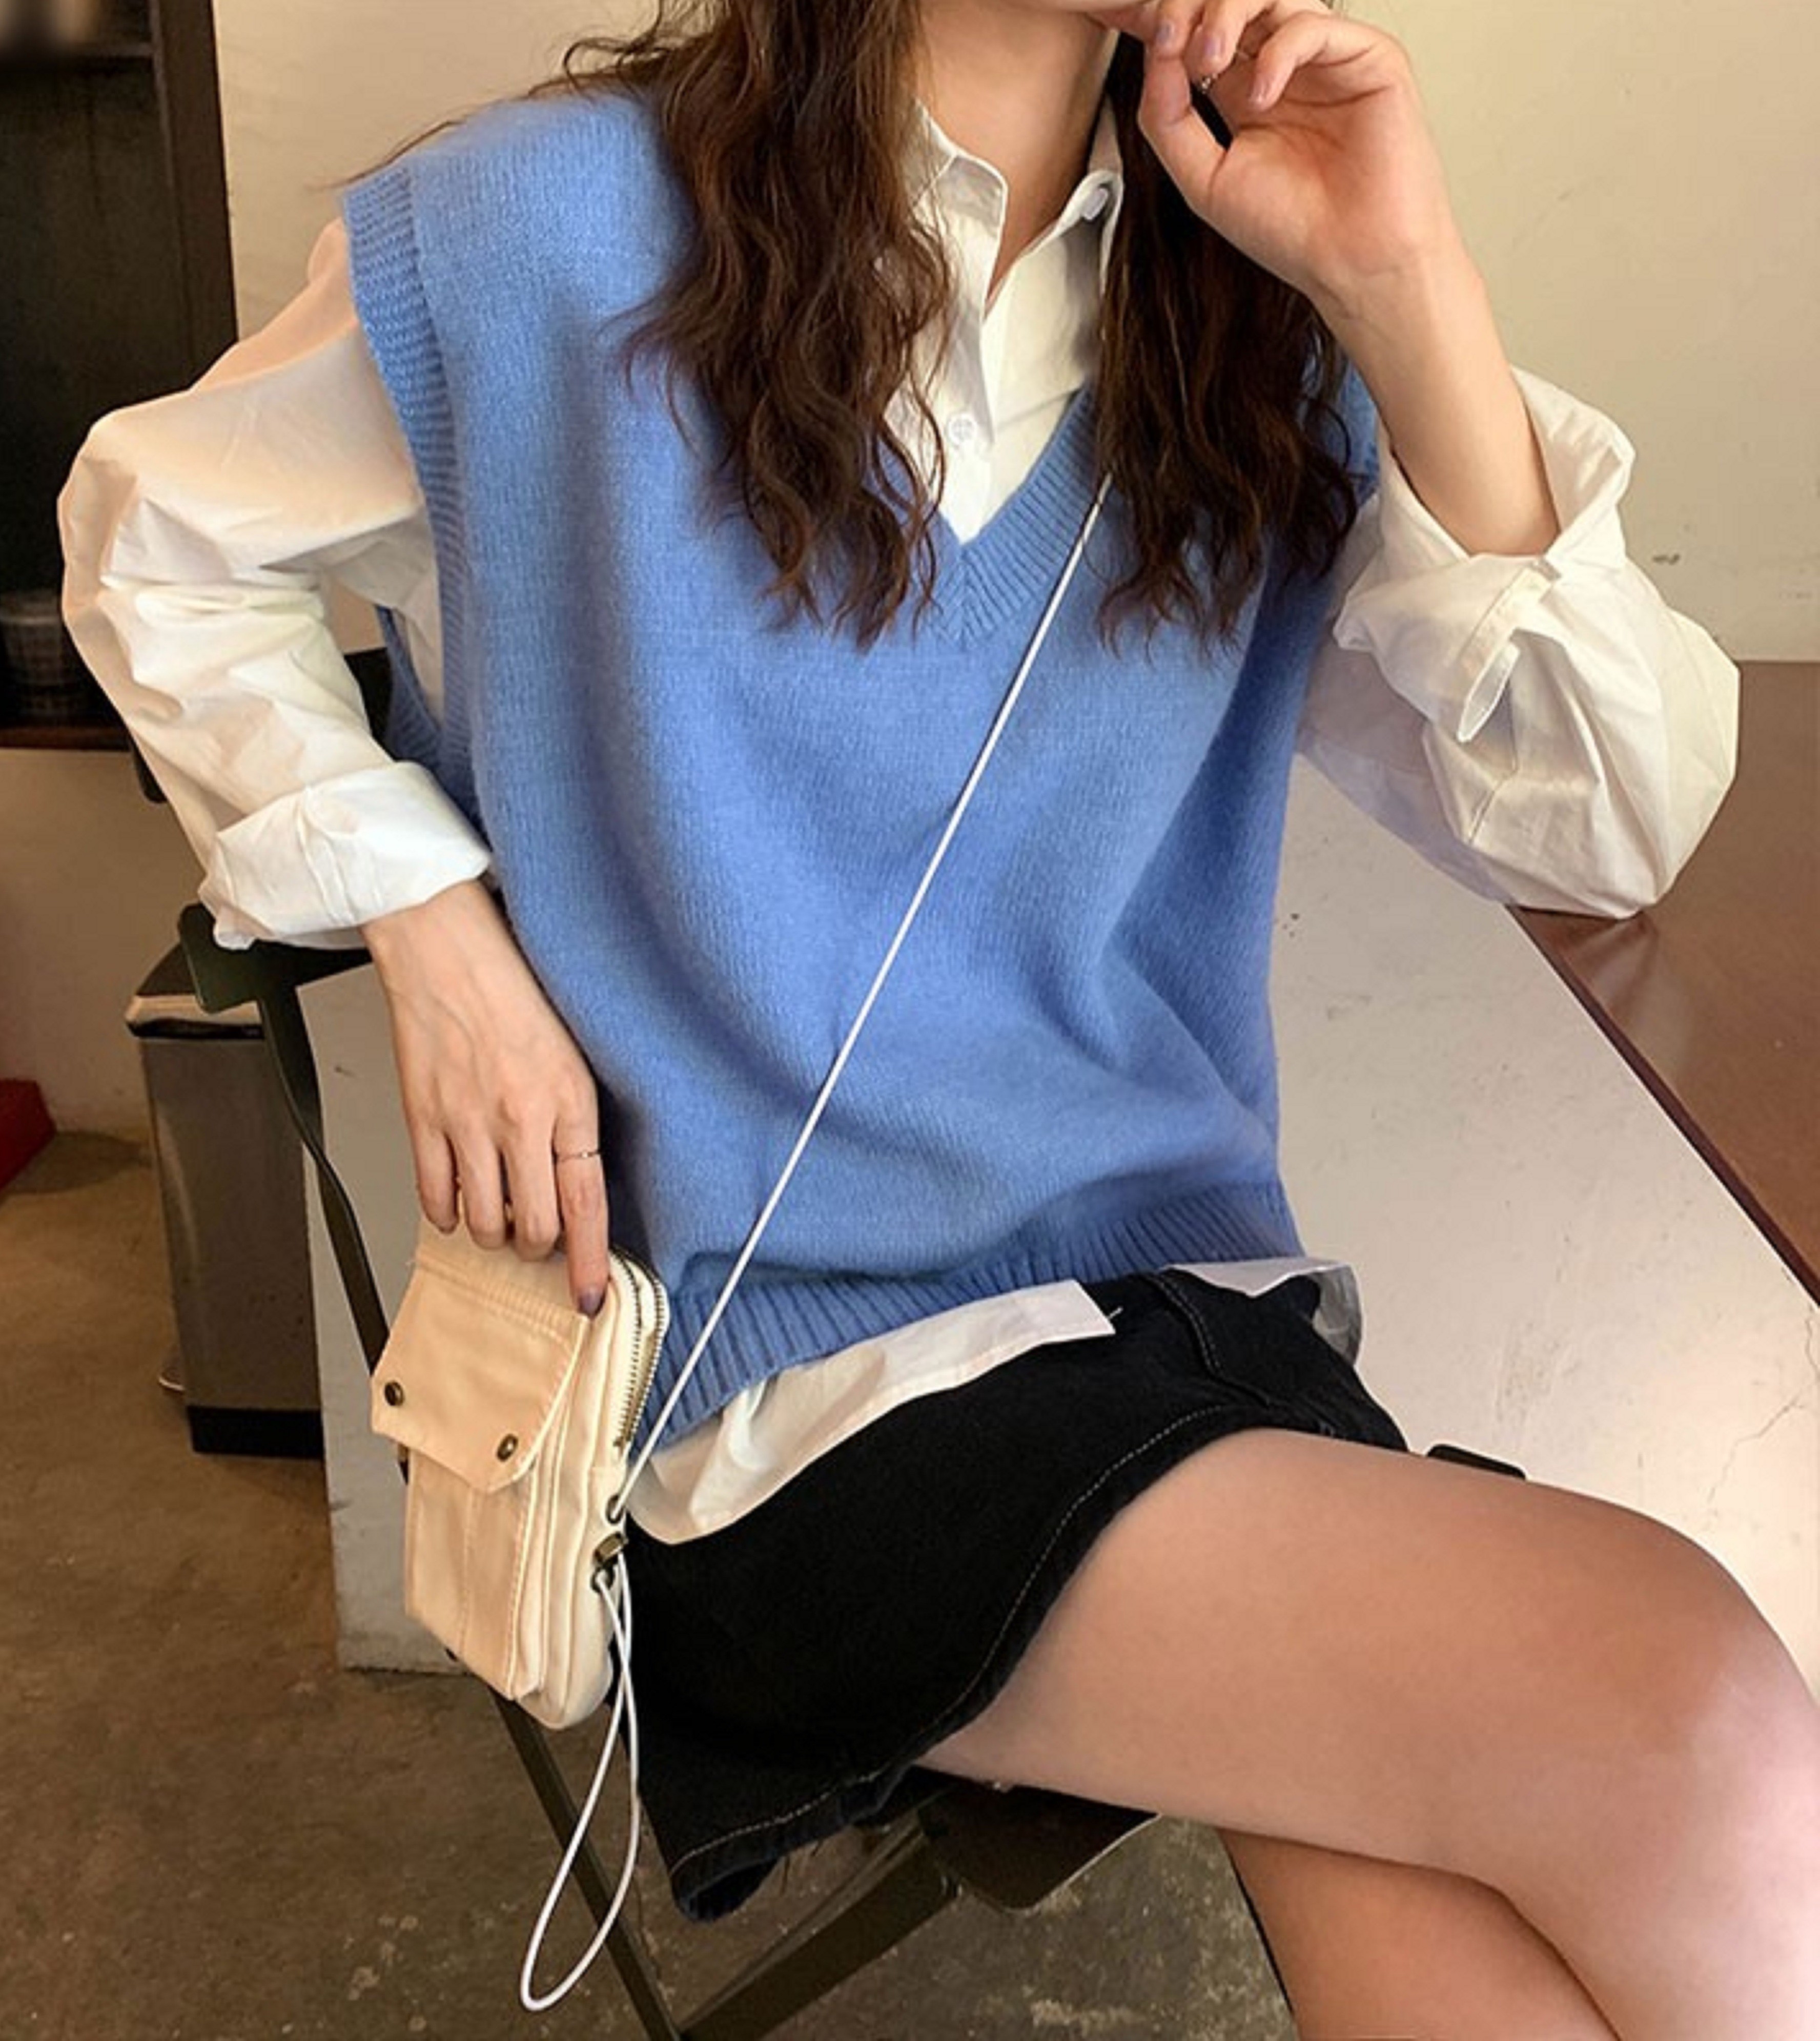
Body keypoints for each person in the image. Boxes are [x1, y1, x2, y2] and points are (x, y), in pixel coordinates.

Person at [59, 0, 1818, 2032]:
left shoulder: (1261, 314)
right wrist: (429, 920)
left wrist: (1406, 277)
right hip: (770, 1388)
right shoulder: (541, 233)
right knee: (1685, 1704)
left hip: (1173, 1323)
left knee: (1483, 1888)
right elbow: (153, 542)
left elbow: (1612, 823)